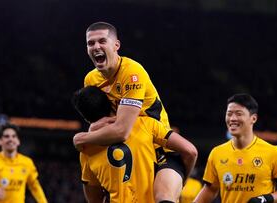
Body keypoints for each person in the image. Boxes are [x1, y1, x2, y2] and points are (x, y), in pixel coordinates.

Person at [73, 21, 192, 203]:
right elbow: (100, 120)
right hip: (131, 147)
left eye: (102, 41)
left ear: (116, 45)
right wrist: (94, 129)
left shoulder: (132, 73)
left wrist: (81, 139)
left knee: (163, 198)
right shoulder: (90, 79)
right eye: (91, 43)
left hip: (158, 145)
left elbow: (122, 130)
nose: (96, 46)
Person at [72, 86, 197, 203]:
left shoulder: (86, 147)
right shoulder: (145, 123)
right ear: (112, 104)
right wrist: (180, 181)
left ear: (87, 119)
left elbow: (94, 199)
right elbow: (190, 151)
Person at [193, 93, 277, 203]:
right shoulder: (217, 153)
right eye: (229, 114)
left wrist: (267, 198)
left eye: (238, 114)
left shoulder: (273, 152)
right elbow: (210, 190)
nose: (232, 118)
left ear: (253, 118)